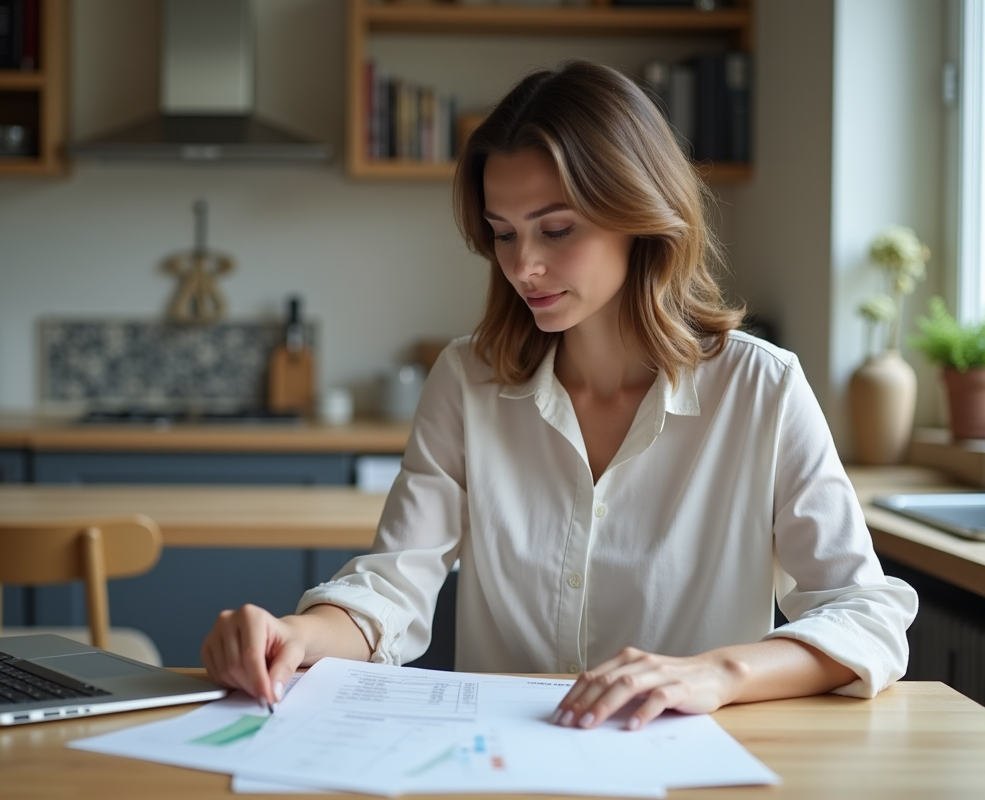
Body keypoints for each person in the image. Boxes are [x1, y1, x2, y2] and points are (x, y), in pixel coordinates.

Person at [201, 60, 918, 731]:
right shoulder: (466, 381)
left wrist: (717, 674)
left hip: (683, 764)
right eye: (503, 233)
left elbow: (865, 615)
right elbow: (393, 586)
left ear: (640, 212)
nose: (524, 265)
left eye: (556, 229)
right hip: (500, 760)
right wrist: (295, 635)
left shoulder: (762, 388)